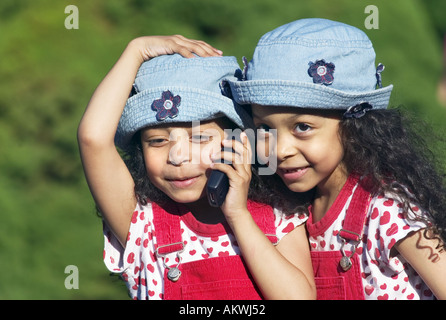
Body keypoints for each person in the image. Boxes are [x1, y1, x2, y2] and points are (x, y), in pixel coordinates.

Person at [77, 35, 315, 300]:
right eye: (157, 141)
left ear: (240, 142)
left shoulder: (278, 216)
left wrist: (238, 215)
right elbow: (93, 139)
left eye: (200, 138)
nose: (177, 157)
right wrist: (136, 50)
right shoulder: (142, 224)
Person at [228, 18, 446, 300]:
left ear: (355, 124)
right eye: (264, 130)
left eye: (302, 128)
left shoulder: (387, 205)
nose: (280, 151)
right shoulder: (290, 211)